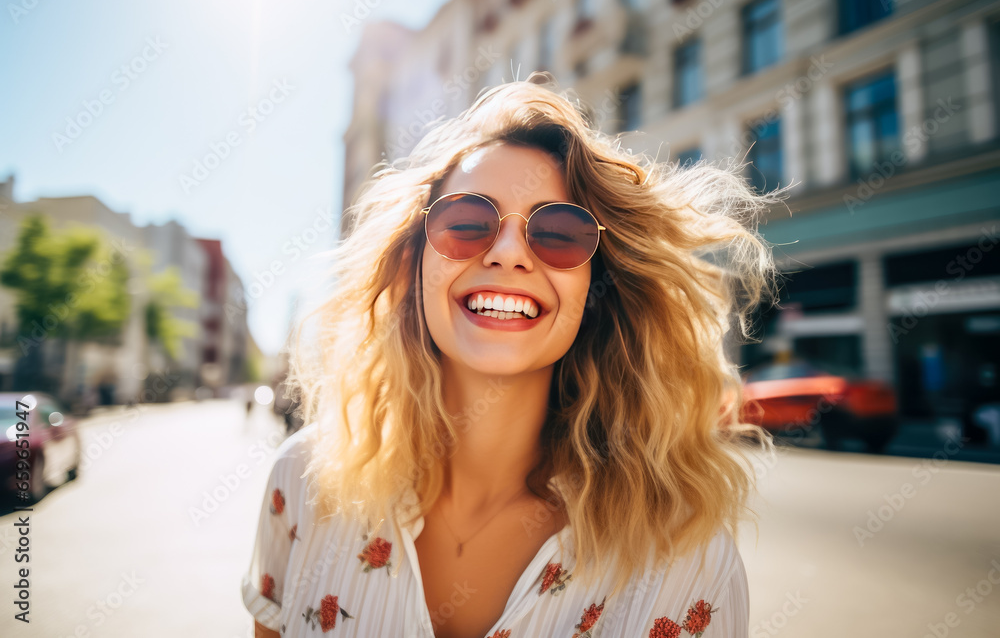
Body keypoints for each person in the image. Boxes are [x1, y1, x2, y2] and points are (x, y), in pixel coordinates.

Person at [241, 74, 782, 638]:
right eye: (468, 223)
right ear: (411, 263)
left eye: (559, 233)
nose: (507, 253)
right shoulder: (304, 483)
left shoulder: (687, 562)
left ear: (598, 292)